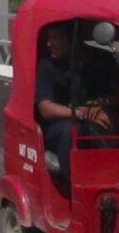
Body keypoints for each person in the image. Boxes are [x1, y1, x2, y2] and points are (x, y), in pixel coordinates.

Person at [34, 22, 114, 190]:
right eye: (48, 39)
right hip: (60, 123)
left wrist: (100, 104)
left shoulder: (103, 60)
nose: (49, 44)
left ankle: (116, 178)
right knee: (72, 130)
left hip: (98, 115)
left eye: (55, 39)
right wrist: (80, 112)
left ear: (74, 40)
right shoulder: (47, 66)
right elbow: (45, 108)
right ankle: (74, 186)